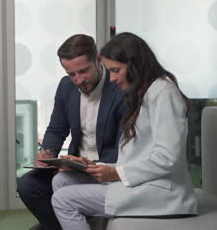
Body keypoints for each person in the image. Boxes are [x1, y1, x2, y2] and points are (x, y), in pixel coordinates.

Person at [51, 32, 198, 230]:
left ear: (134, 64)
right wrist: (91, 165)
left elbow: (168, 158)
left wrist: (116, 173)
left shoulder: (163, 92)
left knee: (63, 199)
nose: (111, 78)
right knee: (62, 180)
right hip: (142, 181)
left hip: (162, 191)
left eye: (116, 70)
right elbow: (137, 154)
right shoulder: (144, 91)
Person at [17, 34, 127, 230]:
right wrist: (47, 153)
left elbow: (124, 146)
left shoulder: (119, 89)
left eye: (83, 71)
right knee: (28, 185)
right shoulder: (65, 86)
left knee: (60, 186)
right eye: (71, 74)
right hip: (73, 167)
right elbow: (56, 129)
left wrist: (88, 166)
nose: (78, 80)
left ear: (98, 60)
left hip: (107, 169)